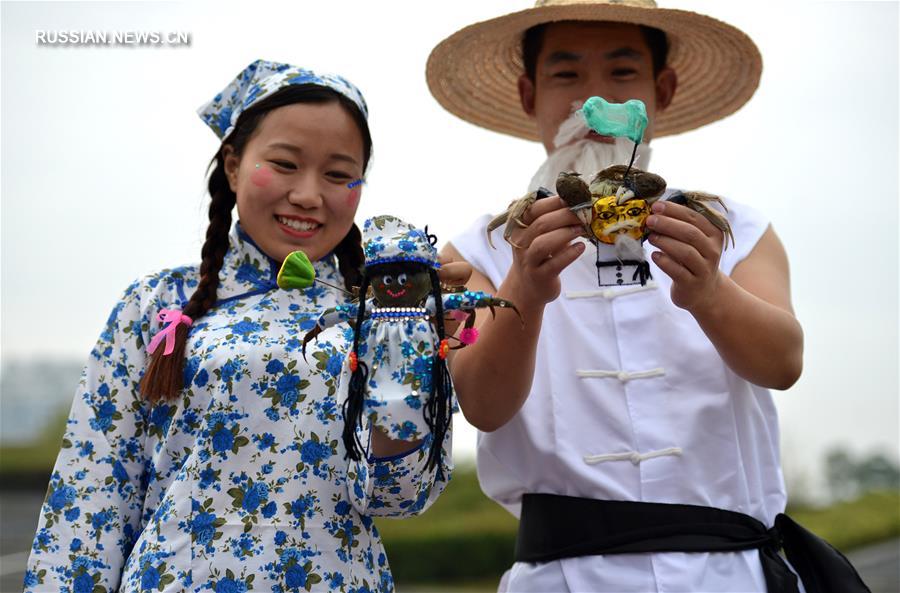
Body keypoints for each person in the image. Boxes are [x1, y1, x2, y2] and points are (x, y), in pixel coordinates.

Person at [428, 2, 867, 592]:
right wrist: (525, 291)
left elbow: (783, 363)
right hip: (562, 576)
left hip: (729, 572)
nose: (593, 102)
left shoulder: (732, 228)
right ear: (529, 94)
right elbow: (482, 403)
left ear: (662, 88)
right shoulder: (480, 250)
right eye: (565, 74)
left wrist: (709, 291)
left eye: (621, 72)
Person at [24, 59, 464, 593]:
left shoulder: (380, 318)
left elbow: (397, 497)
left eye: (336, 174)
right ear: (232, 165)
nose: (308, 194)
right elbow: (92, 495)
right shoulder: (159, 302)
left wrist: (408, 356)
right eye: (284, 164)